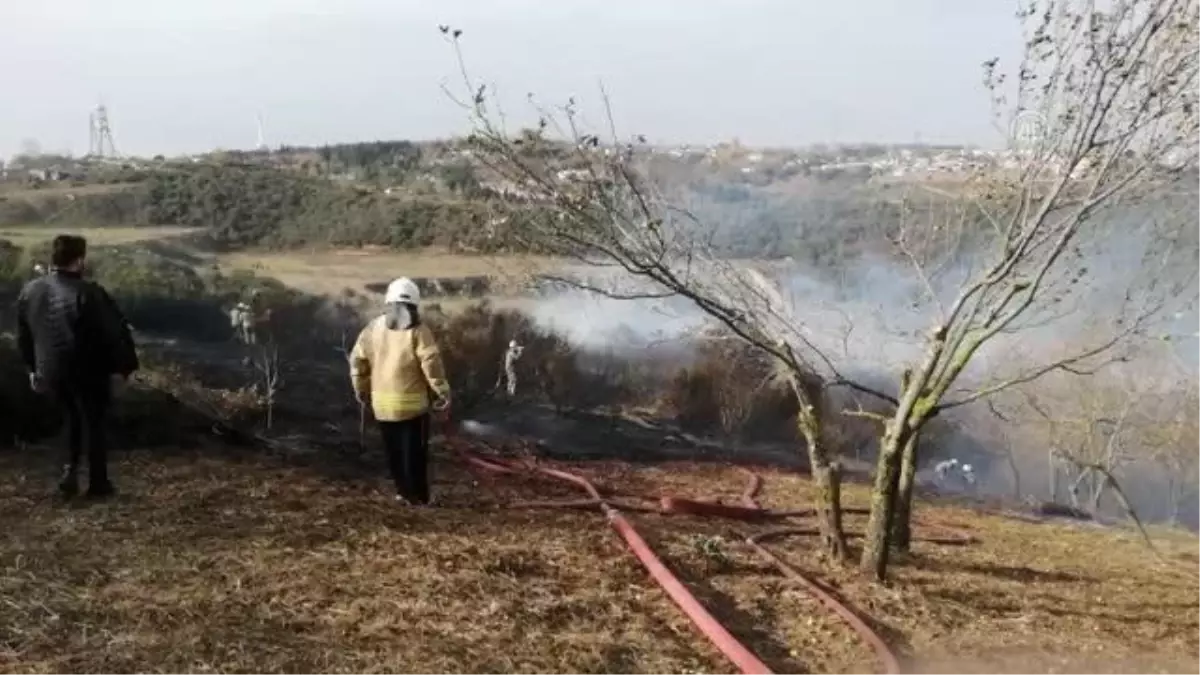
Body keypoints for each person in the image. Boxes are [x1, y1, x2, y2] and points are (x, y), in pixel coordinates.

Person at [16, 235, 139, 499]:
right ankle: (98, 483)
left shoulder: (31, 291)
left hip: (50, 371)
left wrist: (32, 369)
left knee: (70, 420)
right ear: (80, 260)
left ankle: (68, 475)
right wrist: (124, 367)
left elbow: (24, 335)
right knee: (93, 423)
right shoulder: (88, 293)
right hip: (86, 371)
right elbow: (114, 333)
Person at [349, 277, 451, 505]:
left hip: (383, 407)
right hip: (413, 410)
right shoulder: (418, 332)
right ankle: (419, 499)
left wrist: (360, 388)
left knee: (394, 453)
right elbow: (431, 363)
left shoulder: (373, 329)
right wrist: (442, 391)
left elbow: (358, 360)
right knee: (414, 455)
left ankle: (402, 493)